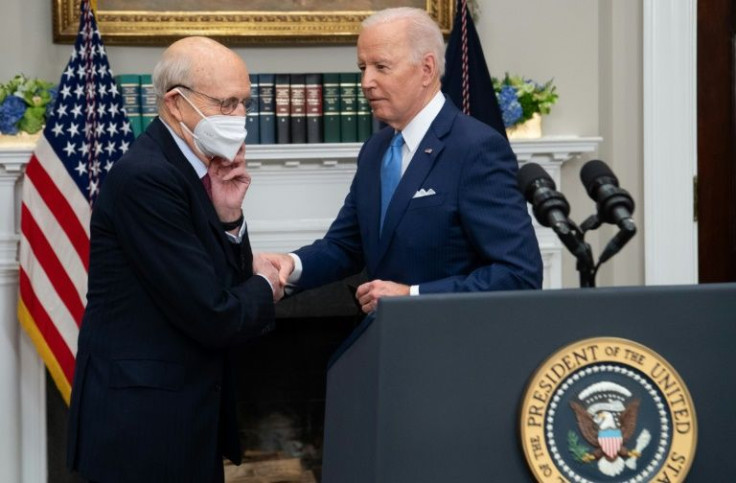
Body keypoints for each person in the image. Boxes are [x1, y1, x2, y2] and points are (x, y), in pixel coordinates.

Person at [66, 37, 283, 482]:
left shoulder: (190, 169)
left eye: (244, 102)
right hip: (143, 429)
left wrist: (229, 218)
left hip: (180, 416)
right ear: (176, 103)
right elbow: (212, 312)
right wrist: (267, 286)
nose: (239, 117)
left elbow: (220, 282)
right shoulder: (148, 177)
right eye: (225, 103)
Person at [263, 7, 543, 313]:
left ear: (426, 69)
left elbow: (518, 273)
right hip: (383, 340)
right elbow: (345, 246)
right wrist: (292, 263)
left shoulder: (477, 148)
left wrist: (414, 296)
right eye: (362, 68)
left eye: (381, 67)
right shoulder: (376, 149)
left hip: (450, 343)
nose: (366, 82)